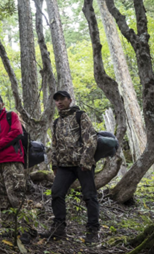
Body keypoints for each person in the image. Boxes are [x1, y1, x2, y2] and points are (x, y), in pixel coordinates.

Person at [40, 91, 99, 244]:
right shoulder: (56, 122)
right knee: (56, 193)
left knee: (89, 196)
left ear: (69, 100)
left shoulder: (80, 115)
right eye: (57, 100)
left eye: (62, 99)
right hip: (64, 166)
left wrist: (86, 161)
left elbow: (91, 138)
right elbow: (54, 144)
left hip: (82, 165)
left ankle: (93, 231)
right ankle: (59, 228)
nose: (59, 102)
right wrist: (54, 164)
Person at [0, 94, 36, 244]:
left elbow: (16, 132)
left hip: (12, 160)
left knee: (16, 195)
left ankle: (27, 230)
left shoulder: (11, 116)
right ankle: (9, 229)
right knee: (2, 197)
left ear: (2, 103)